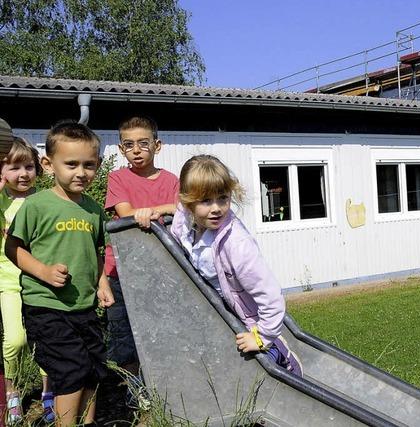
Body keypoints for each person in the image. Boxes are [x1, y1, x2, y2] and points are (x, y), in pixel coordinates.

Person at [5, 121, 114, 427]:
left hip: (84, 305)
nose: (81, 172)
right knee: (71, 369)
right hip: (47, 306)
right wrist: (43, 270)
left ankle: (86, 423)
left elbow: (96, 251)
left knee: (94, 368)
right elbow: (12, 248)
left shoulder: (93, 209)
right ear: (48, 165)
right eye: (71, 164)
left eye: (89, 165)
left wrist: (102, 282)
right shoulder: (37, 206)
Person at [170, 155, 302, 376]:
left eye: (223, 198)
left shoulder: (237, 244)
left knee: (259, 366)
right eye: (205, 201)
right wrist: (153, 212)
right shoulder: (186, 224)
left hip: (248, 318)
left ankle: (282, 357)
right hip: (222, 310)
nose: (216, 208)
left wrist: (262, 337)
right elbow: (176, 226)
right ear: (188, 202)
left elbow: (270, 296)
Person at [104, 116, 178, 403]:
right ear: (122, 149)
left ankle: (164, 386)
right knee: (124, 335)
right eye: (129, 145)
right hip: (120, 271)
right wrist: (158, 212)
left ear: (156, 146)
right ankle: (137, 392)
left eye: (143, 144)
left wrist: (150, 210)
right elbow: (124, 213)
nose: (136, 150)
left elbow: (179, 210)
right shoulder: (118, 178)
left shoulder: (171, 180)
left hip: (160, 271)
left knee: (163, 330)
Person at [0, 138, 54, 424]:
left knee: (45, 337)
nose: (23, 174)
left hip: (40, 278)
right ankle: (11, 391)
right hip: (8, 280)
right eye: (13, 167)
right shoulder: (2, 201)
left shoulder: (44, 200)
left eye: (29, 166)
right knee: (15, 340)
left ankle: (49, 393)